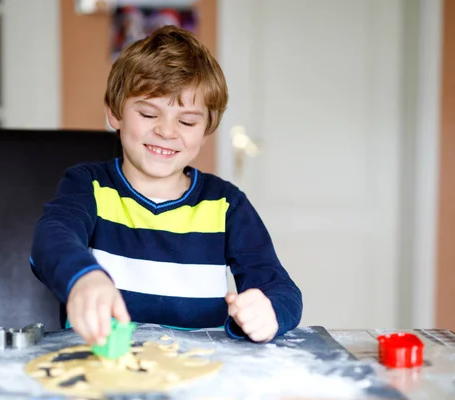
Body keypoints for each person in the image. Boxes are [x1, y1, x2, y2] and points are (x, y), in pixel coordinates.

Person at [30, 25, 302, 347]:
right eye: (148, 113)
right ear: (114, 114)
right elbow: (50, 240)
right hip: (103, 370)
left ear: (206, 129)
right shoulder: (88, 185)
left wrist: (268, 311)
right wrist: (82, 278)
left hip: (198, 375)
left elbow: (281, 289)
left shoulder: (226, 205)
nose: (166, 131)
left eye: (187, 121)